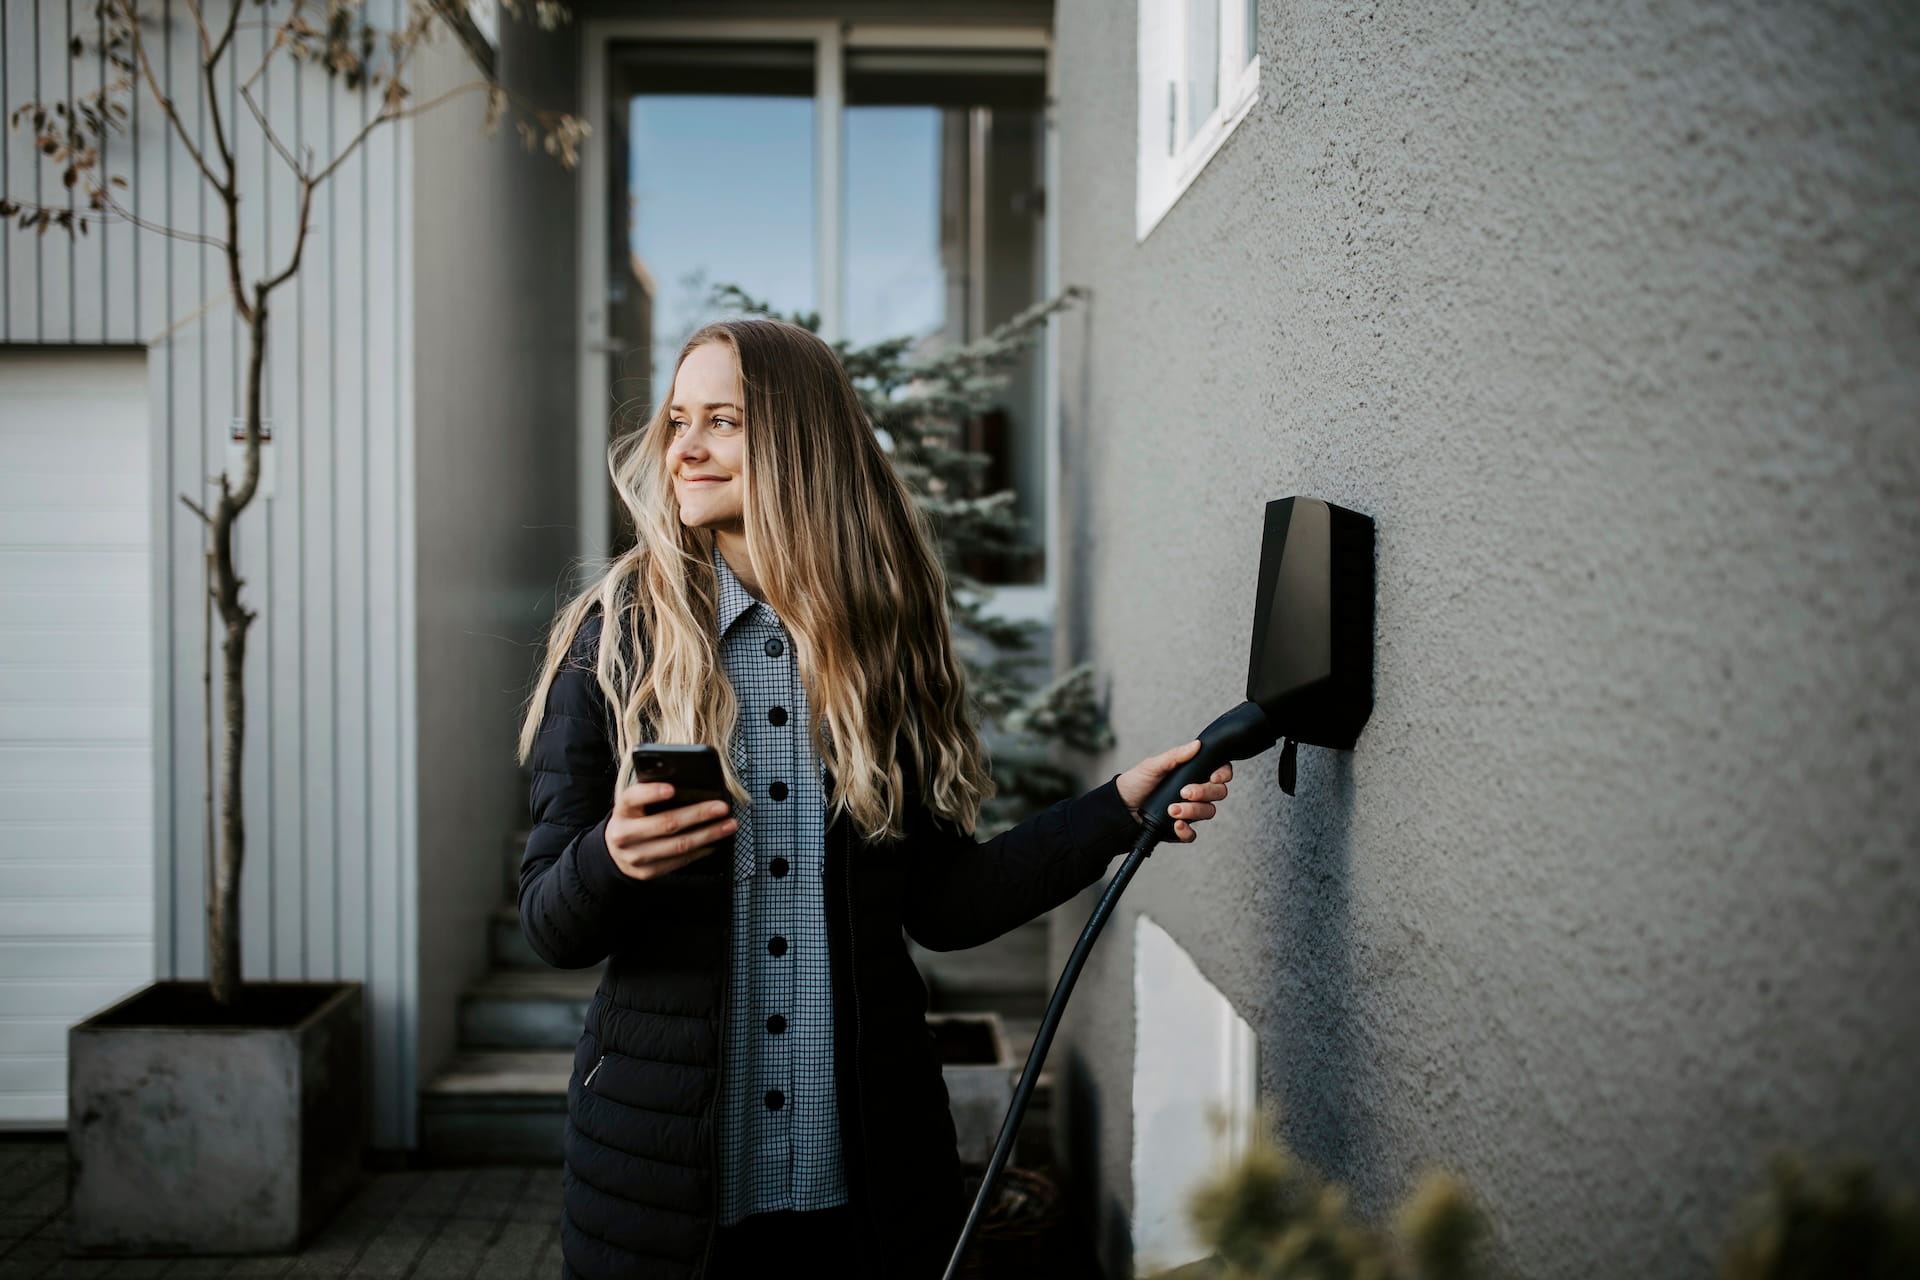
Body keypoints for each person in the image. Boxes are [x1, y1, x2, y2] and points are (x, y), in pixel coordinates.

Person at [514, 316, 1233, 1280]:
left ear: (799, 441)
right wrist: (613, 859)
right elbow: (549, 926)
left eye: (721, 420)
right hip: (664, 1194)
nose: (683, 447)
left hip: (868, 1189)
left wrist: (1115, 809)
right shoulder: (617, 642)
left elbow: (945, 903)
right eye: (678, 419)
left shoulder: (879, 647)